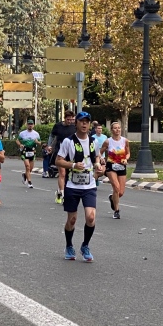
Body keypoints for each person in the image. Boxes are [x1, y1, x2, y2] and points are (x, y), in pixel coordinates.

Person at [55, 111, 105, 262]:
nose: (84, 124)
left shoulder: (93, 141)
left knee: (91, 217)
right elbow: (58, 160)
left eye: (87, 121)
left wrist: (98, 165)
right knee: (72, 220)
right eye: (81, 121)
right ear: (76, 123)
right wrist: (73, 165)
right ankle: (69, 245)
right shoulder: (68, 141)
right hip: (72, 185)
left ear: (90, 125)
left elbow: (96, 157)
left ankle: (85, 245)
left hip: (89, 185)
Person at [100, 122, 131, 219]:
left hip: (121, 165)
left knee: (121, 192)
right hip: (111, 166)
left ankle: (112, 198)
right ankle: (116, 211)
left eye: (119, 128)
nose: (117, 130)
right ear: (111, 130)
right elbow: (100, 152)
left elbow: (128, 153)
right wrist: (101, 158)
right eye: (115, 128)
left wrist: (126, 159)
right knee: (116, 188)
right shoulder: (108, 141)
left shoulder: (125, 141)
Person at [48, 111, 76, 204]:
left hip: (71, 153)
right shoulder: (58, 126)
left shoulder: (74, 126)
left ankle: (60, 191)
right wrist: (49, 146)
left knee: (69, 175)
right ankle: (63, 195)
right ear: (64, 118)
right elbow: (52, 136)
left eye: (71, 119)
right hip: (60, 153)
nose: (70, 121)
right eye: (68, 119)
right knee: (62, 174)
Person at [18, 119, 41, 188]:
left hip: (32, 151)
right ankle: (30, 182)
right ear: (27, 125)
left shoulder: (36, 134)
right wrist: (20, 145)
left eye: (31, 124)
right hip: (25, 151)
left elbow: (40, 143)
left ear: (33, 125)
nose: (30, 125)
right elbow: (17, 140)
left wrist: (37, 142)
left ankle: (25, 175)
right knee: (27, 166)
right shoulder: (22, 133)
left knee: (30, 168)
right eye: (29, 124)